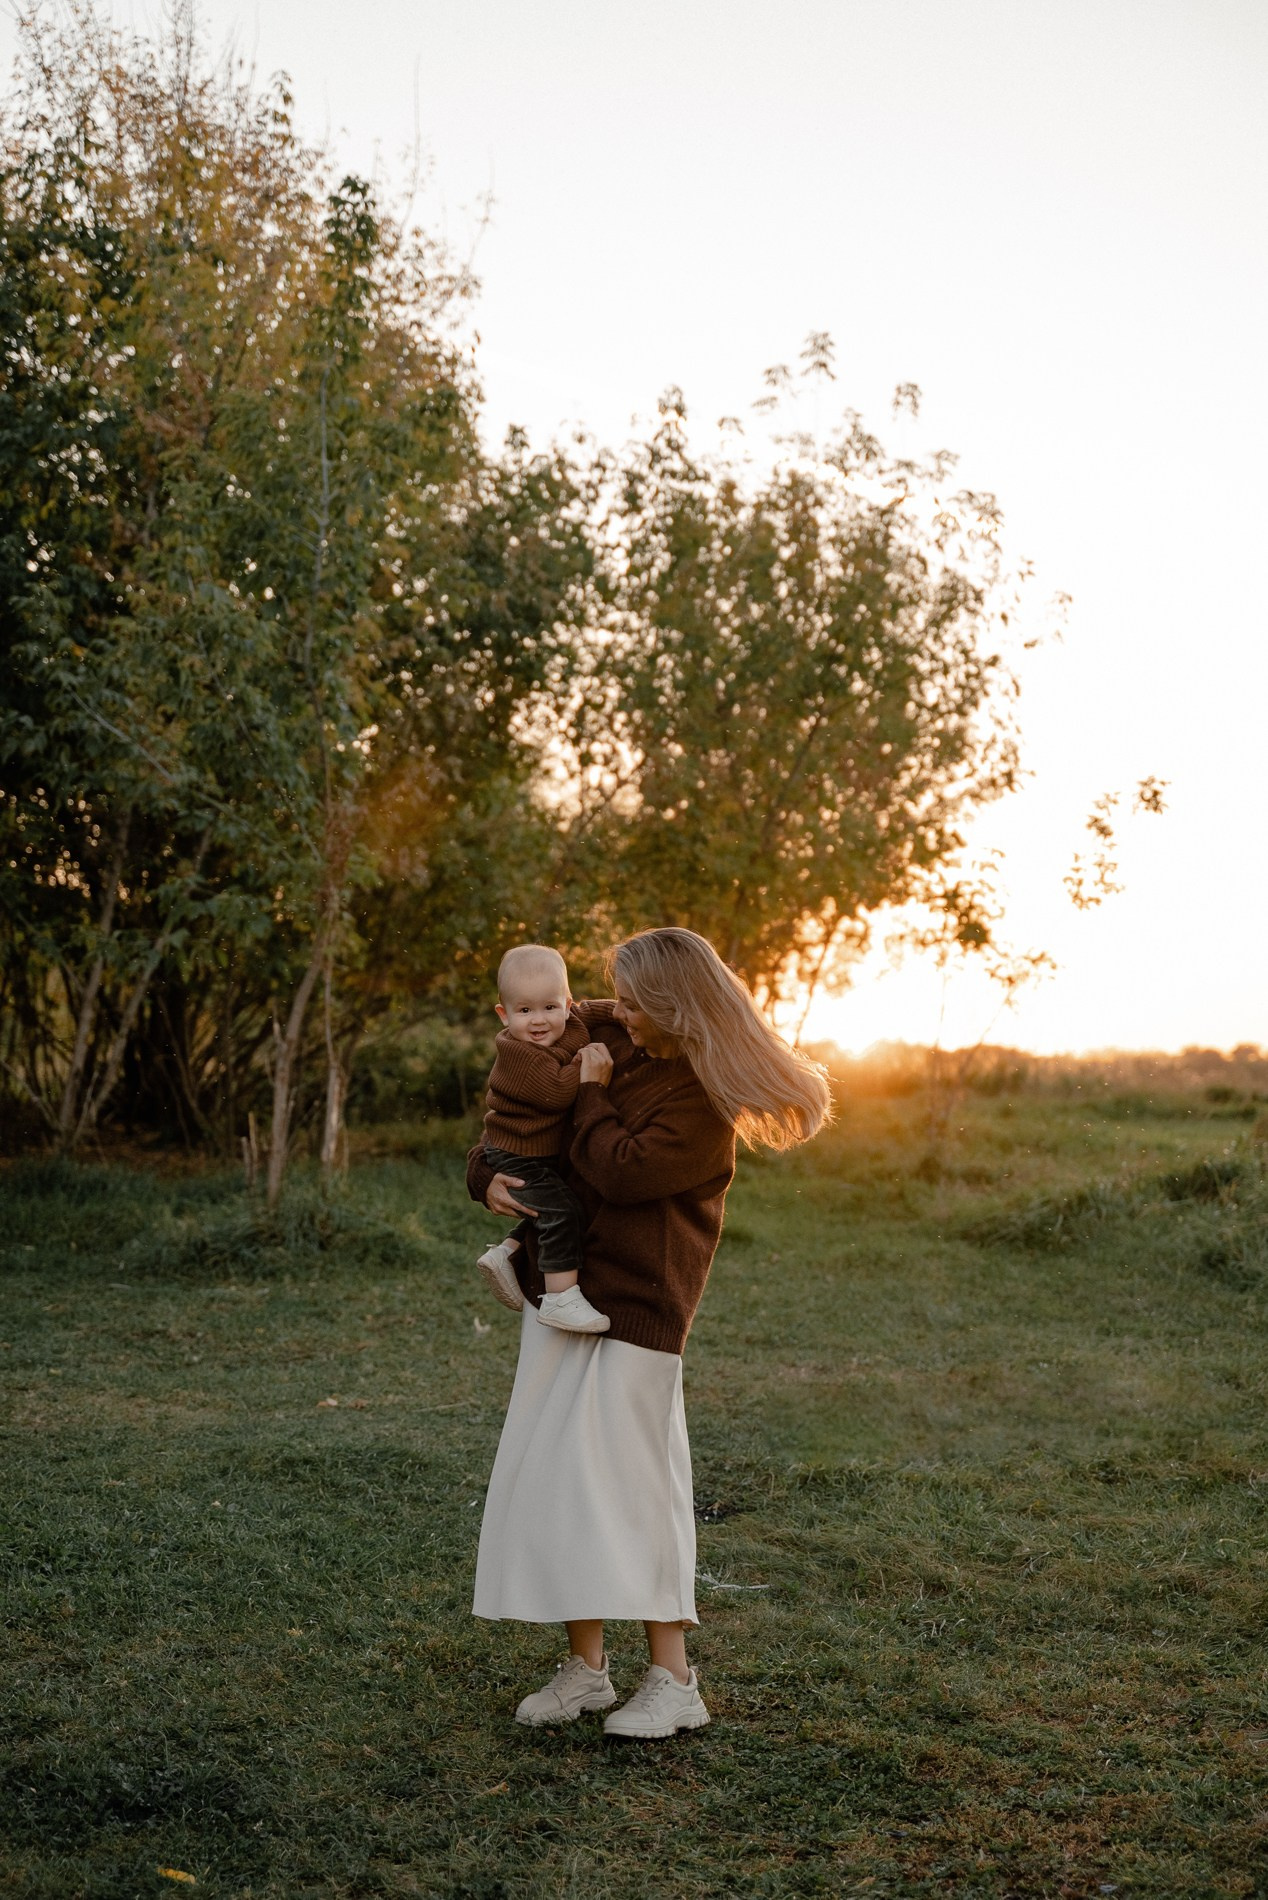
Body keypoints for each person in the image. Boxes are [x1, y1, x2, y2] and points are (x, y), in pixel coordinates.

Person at [466, 926, 831, 1740]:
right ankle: (587, 1672)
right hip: (563, 1295)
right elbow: (521, 1104)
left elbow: (619, 1169)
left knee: (635, 1492)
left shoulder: (702, 1099)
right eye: (614, 997)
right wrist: (486, 1177)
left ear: (673, 1006)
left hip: (639, 1309)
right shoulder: (610, 1033)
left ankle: (674, 1681)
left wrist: (591, 1093)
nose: (611, 1009)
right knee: (562, 1482)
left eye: (631, 1000)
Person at [475, 943, 610, 1334]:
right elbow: (556, 1093)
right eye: (524, 1010)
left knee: (547, 1205)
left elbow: (593, 1011)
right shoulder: (518, 1054)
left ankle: (509, 1254)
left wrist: (622, 1009)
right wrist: (586, 1066)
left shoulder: (570, 1021)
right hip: (516, 1154)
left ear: (568, 1004)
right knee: (560, 1210)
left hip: (535, 1151)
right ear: (504, 1014)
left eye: (550, 1007)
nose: (538, 1021)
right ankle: (560, 1298)